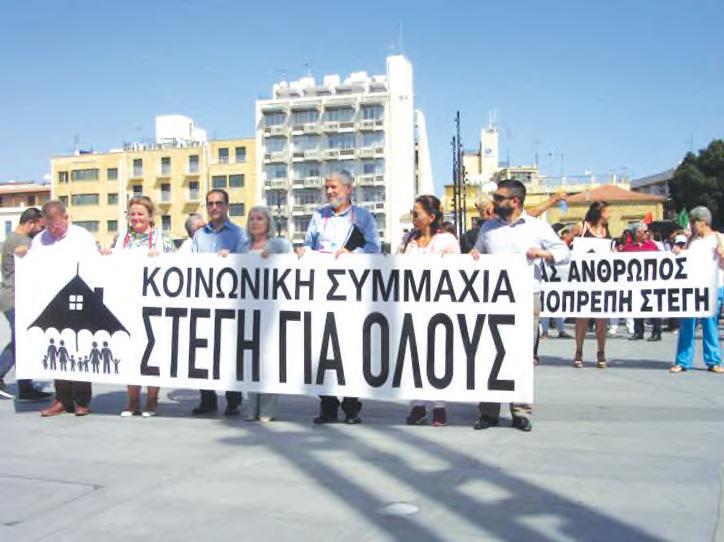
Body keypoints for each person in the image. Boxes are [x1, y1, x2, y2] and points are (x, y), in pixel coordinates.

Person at [470, 179, 569, 432]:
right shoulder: (487, 228)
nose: (494, 202)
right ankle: (488, 411)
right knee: (488, 353)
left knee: (522, 356)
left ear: (514, 201)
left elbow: (564, 253)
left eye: (499, 198)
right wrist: (474, 255)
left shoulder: (537, 227)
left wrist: (543, 254)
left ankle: (520, 412)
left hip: (525, 298)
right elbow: (476, 252)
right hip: (492, 298)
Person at [299, 169, 381, 424]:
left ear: (348, 189)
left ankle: (351, 406)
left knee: (350, 349)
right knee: (322, 348)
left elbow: (374, 249)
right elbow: (309, 244)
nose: (329, 191)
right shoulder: (318, 217)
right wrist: (303, 251)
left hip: (351, 295)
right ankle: (328, 406)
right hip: (322, 294)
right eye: (327, 187)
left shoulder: (363, 218)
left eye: (334, 187)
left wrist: (353, 255)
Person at [24, 201, 99, 416]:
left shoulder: (81, 236)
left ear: (66, 218)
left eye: (58, 225)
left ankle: (82, 401)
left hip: (79, 299)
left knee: (80, 349)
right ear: (44, 223)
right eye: (50, 227)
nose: (55, 230)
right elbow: (32, 268)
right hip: (52, 303)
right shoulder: (39, 240)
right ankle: (62, 400)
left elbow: (94, 267)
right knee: (57, 349)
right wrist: (23, 255)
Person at [108, 196, 175, 417]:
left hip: (155, 303)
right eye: (132, 214)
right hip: (127, 302)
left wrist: (161, 259)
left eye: (140, 213)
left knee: (153, 351)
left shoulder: (163, 240)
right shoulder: (121, 239)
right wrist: (106, 256)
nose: (136, 217)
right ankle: (132, 400)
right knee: (130, 351)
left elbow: (177, 269)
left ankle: (152, 399)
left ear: (150, 216)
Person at [399, 195, 460, 427]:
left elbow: (458, 271)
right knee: (413, 355)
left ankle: (439, 407)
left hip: (439, 307)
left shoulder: (447, 240)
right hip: (412, 307)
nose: (413, 217)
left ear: (431, 217)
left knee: (437, 356)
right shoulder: (408, 240)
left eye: (417, 213)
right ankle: (417, 405)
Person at [192, 189, 249, 416]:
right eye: (210, 204)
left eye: (218, 203)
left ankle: (233, 401)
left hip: (229, 303)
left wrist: (231, 259)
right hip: (204, 302)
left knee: (230, 352)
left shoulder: (239, 234)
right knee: (203, 351)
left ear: (227, 206)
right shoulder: (199, 236)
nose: (214, 207)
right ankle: (207, 399)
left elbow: (246, 264)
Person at [245, 205, 291, 422]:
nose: (255, 222)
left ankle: (267, 408)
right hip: (248, 311)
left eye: (259, 218)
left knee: (270, 360)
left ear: (268, 222)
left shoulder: (279, 245)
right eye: (251, 219)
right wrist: (225, 257)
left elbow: (294, 266)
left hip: (272, 312)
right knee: (250, 360)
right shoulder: (243, 246)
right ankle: (251, 406)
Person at [0, 207, 51, 400]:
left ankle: (25, 385)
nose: (41, 230)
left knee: (20, 341)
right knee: (21, 341)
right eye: (40, 226)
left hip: (11, 296)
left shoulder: (12, 238)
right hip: (15, 298)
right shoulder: (22, 241)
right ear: (31, 223)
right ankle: (22, 385)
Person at [670, 206, 724, 373]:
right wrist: (677, 253)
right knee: (687, 324)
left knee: (710, 325)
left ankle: (713, 361)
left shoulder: (719, 238)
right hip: (692, 288)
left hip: (713, 287)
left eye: (694, 222)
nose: (692, 225)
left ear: (703, 222)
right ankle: (682, 361)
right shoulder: (691, 241)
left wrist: (722, 254)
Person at [573, 201, 612, 368]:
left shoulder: (606, 231)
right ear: (600, 213)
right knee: (582, 318)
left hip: (601, 281)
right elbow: (564, 243)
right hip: (583, 280)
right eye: (608, 211)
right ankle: (578, 351)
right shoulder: (581, 227)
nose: (610, 214)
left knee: (602, 318)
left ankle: (601, 352)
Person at [620, 222, 662, 341]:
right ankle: (638, 331)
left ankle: (656, 332)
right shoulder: (627, 248)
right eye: (645, 231)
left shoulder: (652, 246)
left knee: (653, 307)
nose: (647, 233)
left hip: (650, 281)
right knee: (636, 306)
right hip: (635, 283)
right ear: (637, 233)